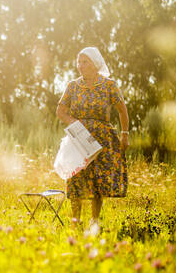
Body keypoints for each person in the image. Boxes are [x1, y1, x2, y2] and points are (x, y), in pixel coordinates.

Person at [56, 47, 129, 230]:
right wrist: (75, 124)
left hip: (102, 138)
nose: (80, 66)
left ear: (95, 63)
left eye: (85, 62)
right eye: (79, 62)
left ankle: (94, 221)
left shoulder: (109, 85)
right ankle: (75, 221)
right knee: (76, 177)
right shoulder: (73, 86)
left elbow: (122, 110)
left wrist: (124, 134)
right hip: (79, 138)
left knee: (98, 180)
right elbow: (60, 111)